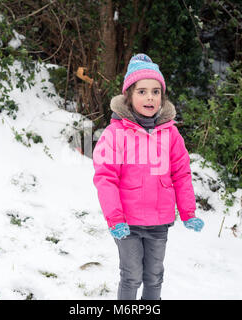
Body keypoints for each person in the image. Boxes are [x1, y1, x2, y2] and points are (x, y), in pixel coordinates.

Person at [92, 53, 204, 300]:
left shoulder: (171, 134)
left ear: (162, 97)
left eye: (155, 91)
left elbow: (182, 174)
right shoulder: (115, 134)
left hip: (158, 222)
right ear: (129, 96)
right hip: (127, 224)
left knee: (154, 276)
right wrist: (115, 219)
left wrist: (188, 212)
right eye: (142, 91)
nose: (149, 97)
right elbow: (105, 178)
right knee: (131, 275)